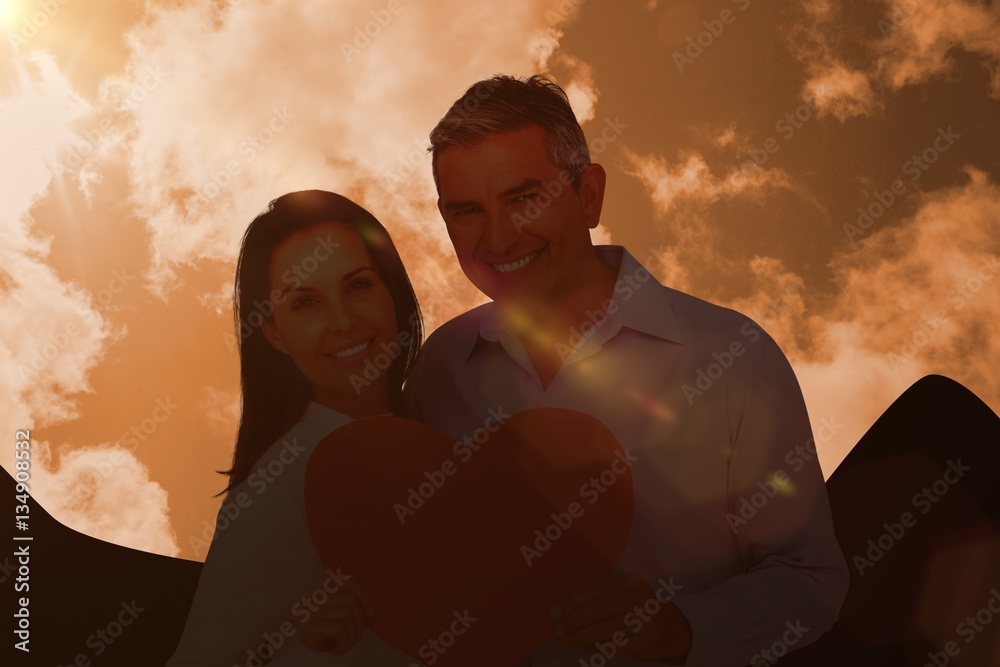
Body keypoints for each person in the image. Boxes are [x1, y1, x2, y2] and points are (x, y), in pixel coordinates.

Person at [403, 75, 850, 666]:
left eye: (524, 198)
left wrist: (681, 629)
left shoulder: (732, 355)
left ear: (588, 194)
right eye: (466, 212)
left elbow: (811, 579)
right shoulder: (440, 370)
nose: (497, 237)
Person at [167, 190, 422, 666]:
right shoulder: (276, 491)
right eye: (306, 302)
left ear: (393, 291)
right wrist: (308, 653)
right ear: (275, 333)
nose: (344, 320)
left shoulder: (445, 423)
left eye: (359, 285)